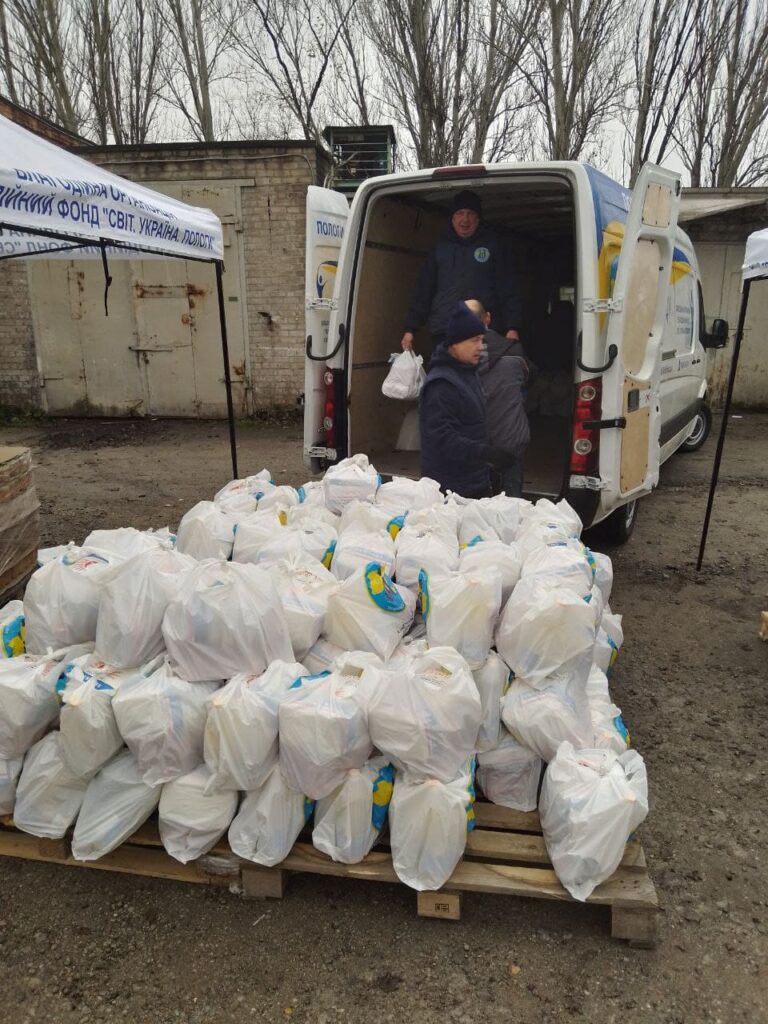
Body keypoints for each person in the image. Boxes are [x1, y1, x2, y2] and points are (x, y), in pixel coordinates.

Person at [400, 190, 522, 362]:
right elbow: (424, 291)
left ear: (478, 219)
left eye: (470, 214)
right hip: (445, 331)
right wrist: (410, 328)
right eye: (460, 213)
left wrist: (512, 327)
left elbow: (508, 289)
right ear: (452, 218)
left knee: (481, 377)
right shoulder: (440, 247)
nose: (465, 219)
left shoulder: (494, 246)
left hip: (482, 333)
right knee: (444, 376)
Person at [419, 302, 517, 499]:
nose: (481, 347)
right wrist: (485, 453)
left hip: (474, 482)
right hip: (450, 491)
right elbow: (442, 439)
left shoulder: (467, 372)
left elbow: (473, 424)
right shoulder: (441, 384)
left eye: (482, 340)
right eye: (474, 340)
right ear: (455, 343)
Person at [468, 299, 530, 497]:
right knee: (511, 504)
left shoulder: (453, 360)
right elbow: (528, 379)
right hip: (510, 443)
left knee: (471, 506)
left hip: (472, 445)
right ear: (487, 318)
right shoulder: (515, 352)